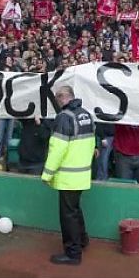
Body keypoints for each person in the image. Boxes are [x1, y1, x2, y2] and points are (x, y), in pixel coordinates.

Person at [41, 86, 95, 265]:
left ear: (62, 98)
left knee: (68, 215)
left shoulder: (64, 117)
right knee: (75, 210)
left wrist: (47, 174)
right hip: (82, 174)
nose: (57, 104)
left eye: (57, 100)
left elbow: (57, 149)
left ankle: (73, 253)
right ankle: (82, 239)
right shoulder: (86, 115)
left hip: (68, 176)